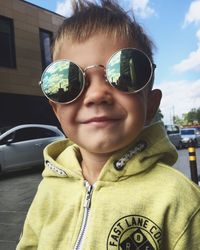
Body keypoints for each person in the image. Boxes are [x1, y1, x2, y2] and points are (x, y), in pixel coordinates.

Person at [17, 0, 200, 249]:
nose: (96, 95)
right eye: (70, 80)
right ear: (57, 110)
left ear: (151, 104)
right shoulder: (48, 190)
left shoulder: (179, 200)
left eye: (124, 73)